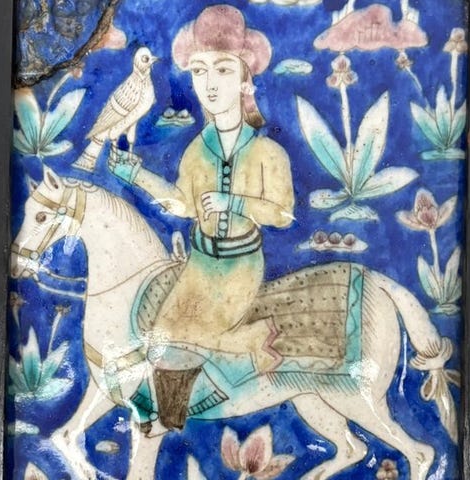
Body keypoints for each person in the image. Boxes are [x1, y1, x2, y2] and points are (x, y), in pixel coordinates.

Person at [109, 4, 294, 429]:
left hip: (240, 265)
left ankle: (252, 340)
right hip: (199, 262)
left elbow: (283, 214)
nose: (209, 84)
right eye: (199, 71)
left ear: (246, 80)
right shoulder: (197, 151)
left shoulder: (268, 152)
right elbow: (183, 205)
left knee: (189, 334)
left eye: (223, 70)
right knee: (161, 337)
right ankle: (167, 420)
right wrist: (136, 175)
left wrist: (236, 204)